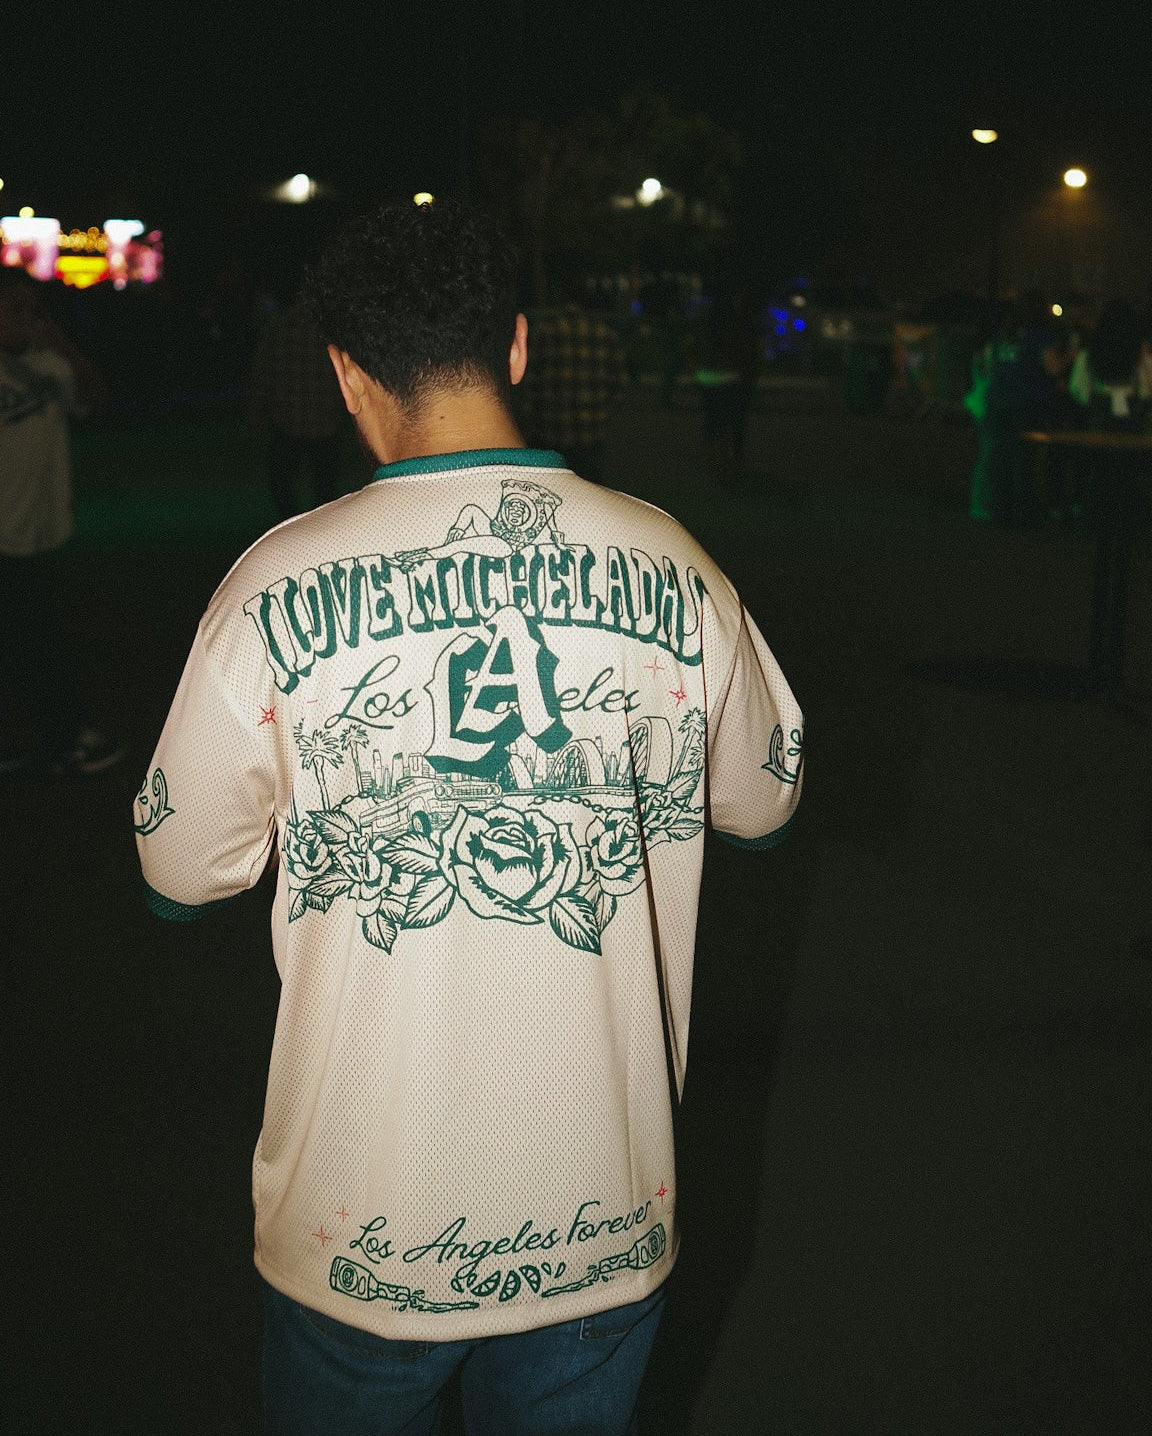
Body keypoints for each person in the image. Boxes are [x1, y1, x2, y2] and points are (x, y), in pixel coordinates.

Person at [134, 199, 802, 1436]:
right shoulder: (671, 558)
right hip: (601, 1211)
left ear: (343, 372)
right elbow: (763, 802)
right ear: (520, 345)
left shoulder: (273, 582)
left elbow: (179, 871)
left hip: (363, 1231)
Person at [0, 267, 123, 776]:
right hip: (3, 530)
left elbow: (96, 396)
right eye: (15, 310)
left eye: (35, 310)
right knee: (36, 642)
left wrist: (60, 340)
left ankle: (45, 740)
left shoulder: (50, 363)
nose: (27, 321)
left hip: (39, 525)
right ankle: (67, 739)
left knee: (31, 639)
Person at [516, 274, 627, 484]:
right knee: (589, 493)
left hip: (550, 430)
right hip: (590, 431)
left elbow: (530, 382)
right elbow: (618, 384)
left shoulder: (545, 331)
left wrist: (530, 418)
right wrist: (603, 413)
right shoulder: (605, 334)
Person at [247, 290, 349, 519]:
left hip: (288, 421)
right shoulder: (328, 329)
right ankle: (318, 530)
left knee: (282, 483)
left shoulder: (280, 326)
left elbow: (262, 372)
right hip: (324, 421)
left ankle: (290, 523)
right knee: (324, 490)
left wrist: (258, 413)